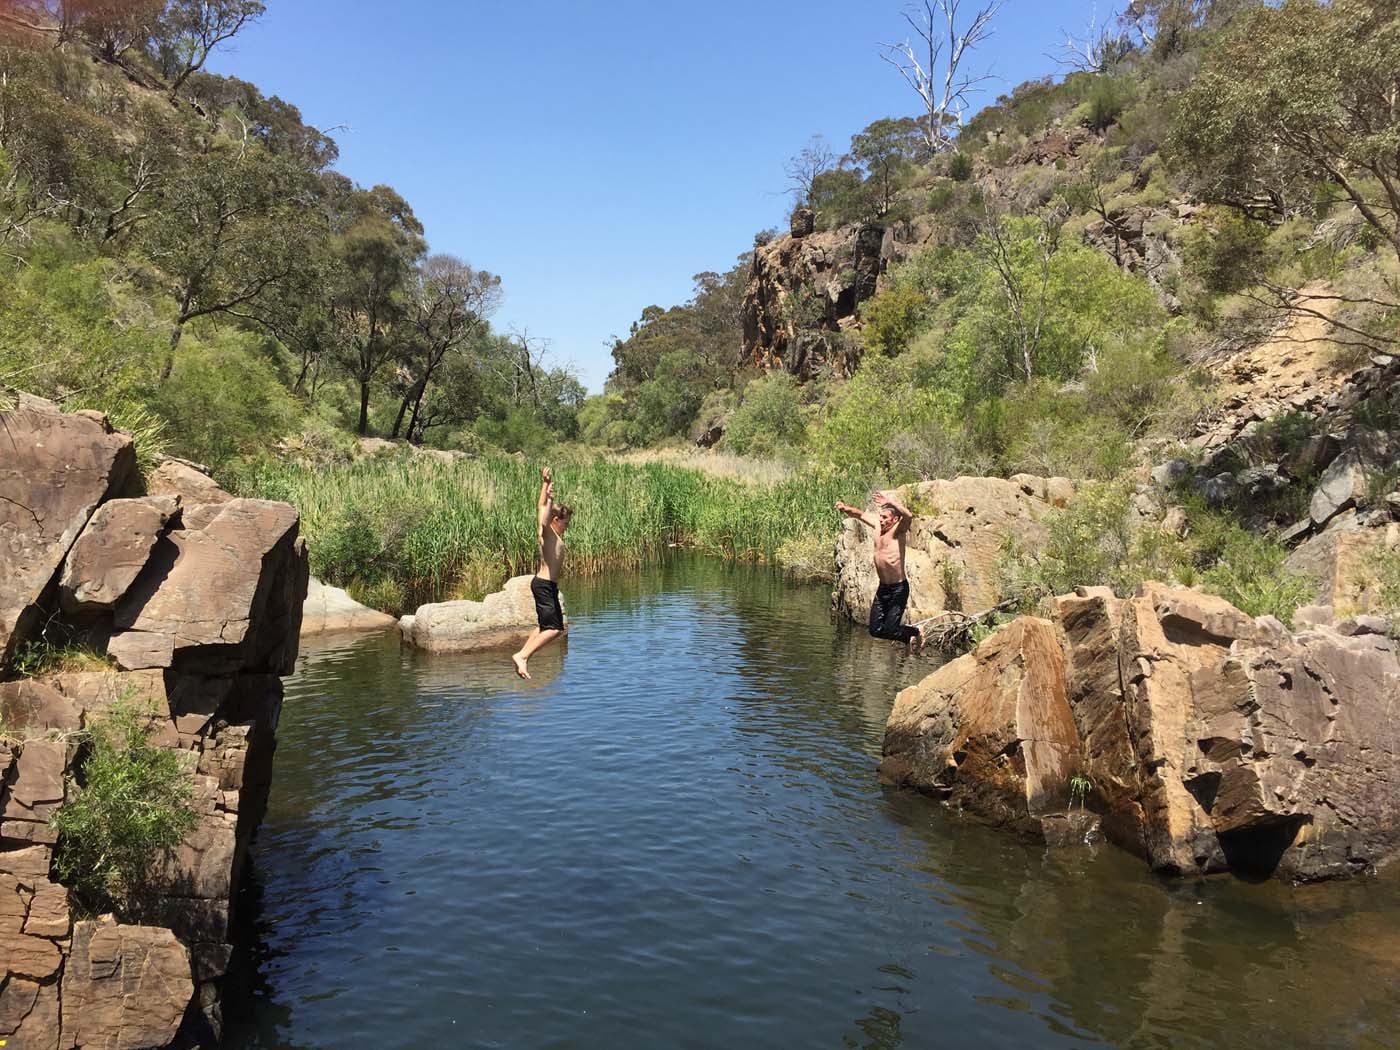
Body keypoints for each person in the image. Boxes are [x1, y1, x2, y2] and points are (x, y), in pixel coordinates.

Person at [835, 489, 923, 650]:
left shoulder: (898, 531)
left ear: (895, 519)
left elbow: (908, 516)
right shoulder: (877, 526)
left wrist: (890, 502)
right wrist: (844, 508)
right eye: (880, 517)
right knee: (874, 630)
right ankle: (907, 637)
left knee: (891, 629)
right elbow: (859, 514)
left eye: (885, 518)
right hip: (883, 589)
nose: (881, 520)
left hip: (898, 589)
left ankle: (916, 632)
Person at [512, 466, 572, 679]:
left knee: (548, 626)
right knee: (553, 629)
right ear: (556, 520)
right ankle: (522, 656)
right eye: (566, 523)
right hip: (544, 585)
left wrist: (545, 486)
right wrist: (548, 495)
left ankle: (523, 656)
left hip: (549, 586)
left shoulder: (551, 533)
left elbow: (540, 507)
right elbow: (542, 515)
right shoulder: (547, 532)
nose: (567, 526)